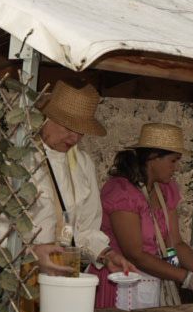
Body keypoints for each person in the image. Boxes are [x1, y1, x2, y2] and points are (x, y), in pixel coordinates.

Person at [98, 122, 193, 307]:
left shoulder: (165, 189)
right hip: (120, 282)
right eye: (173, 160)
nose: (176, 168)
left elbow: (174, 243)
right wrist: (187, 278)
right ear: (153, 157)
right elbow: (135, 254)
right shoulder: (122, 192)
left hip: (151, 282)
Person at [29, 80, 129, 278]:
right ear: (46, 118)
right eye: (68, 127)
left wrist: (106, 254)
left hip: (65, 269)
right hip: (22, 273)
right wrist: (30, 252)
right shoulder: (18, 160)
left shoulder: (82, 164)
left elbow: (85, 228)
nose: (74, 138)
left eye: (81, 130)